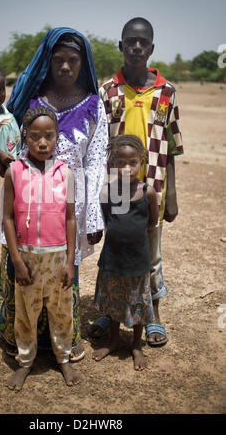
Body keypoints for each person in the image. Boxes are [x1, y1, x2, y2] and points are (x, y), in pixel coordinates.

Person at [0, 28, 108, 361]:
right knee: (22, 267)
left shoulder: (94, 106)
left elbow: (97, 159)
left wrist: (94, 216)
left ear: (83, 63)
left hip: (67, 207)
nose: (66, 67)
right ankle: (20, 337)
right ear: (48, 61)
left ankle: (59, 340)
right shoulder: (31, 98)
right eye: (58, 60)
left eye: (73, 60)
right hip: (27, 203)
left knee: (61, 272)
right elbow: (5, 143)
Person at [90, 17, 184, 346]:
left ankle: (151, 314)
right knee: (115, 248)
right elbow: (99, 144)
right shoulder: (107, 91)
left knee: (151, 253)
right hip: (116, 188)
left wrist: (170, 194)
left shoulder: (167, 92)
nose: (137, 47)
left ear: (152, 48)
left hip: (151, 187)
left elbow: (171, 147)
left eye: (143, 42)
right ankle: (110, 310)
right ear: (121, 46)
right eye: (130, 41)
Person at [4, 106, 81, 390]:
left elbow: (71, 219)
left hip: (58, 256)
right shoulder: (14, 172)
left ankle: (64, 359)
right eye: (35, 136)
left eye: (49, 136)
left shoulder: (67, 174)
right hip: (27, 258)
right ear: (25, 137)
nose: (42, 142)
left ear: (58, 137)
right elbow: (8, 218)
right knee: (26, 313)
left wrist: (70, 261)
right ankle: (25, 363)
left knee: (61, 311)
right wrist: (17, 259)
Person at [92, 135, 158, 369]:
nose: (127, 168)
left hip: (138, 260)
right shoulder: (107, 192)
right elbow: (107, 218)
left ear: (142, 162)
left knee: (137, 301)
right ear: (112, 165)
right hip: (113, 258)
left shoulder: (147, 192)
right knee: (113, 301)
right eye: (120, 163)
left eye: (133, 162)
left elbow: (152, 221)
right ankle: (113, 340)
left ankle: (136, 345)